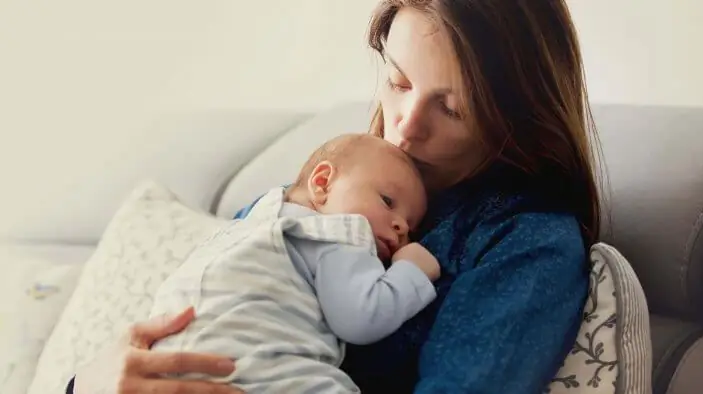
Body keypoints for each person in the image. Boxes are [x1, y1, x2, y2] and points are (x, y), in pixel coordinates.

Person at [67, 0, 603, 393]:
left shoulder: (523, 241)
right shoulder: (304, 201)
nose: (405, 129)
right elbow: (197, 315)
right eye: (397, 82)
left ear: (518, 117)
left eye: (453, 108)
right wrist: (87, 383)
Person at [147, 134, 440, 393]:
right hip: (258, 371)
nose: (401, 225)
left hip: (167, 367)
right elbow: (361, 318)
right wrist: (412, 271)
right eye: (388, 201)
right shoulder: (338, 233)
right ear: (322, 183)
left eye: (411, 227)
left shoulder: (251, 222)